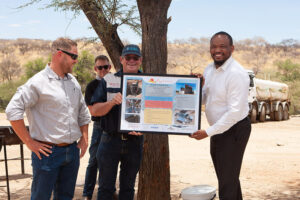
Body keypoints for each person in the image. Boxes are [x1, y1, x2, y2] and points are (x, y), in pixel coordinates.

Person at [5, 37, 91, 200]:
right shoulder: (38, 82)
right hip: (47, 154)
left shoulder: (73, 82)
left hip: (72, 153)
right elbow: (12, 111)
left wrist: (85, 138)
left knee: (66, 197)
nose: (76, 61)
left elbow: (82, 112)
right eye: (74, 56)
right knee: (40, 197)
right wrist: (29, 142)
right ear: (59, 54)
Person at [190, 31, 251, 200]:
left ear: (231, 48)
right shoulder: (209, 69)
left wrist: (208, 132)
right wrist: (194, 87)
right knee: (227, 177)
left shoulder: (236, 73)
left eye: (222, 47)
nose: (217, 50)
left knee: (227, 181)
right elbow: (203, 98)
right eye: (214, 47)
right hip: (219, 130)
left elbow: (234, 113)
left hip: (234, 129)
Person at [90, 44, 144, 200]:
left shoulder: (148, 81)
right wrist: (112, 102)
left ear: (140, 60)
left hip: (134, 142)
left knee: (128, 189)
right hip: (109, 141)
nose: (131, 61)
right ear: (121, 59)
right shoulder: (109, 79)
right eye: (128, 58)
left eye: (135, 58)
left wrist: (143, 129)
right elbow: (94, 110)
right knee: (106, 189)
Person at [82, 55, 111, 200]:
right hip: (99, 126)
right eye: (100, 67)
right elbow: (92, 109)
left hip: (113, 126)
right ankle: (87, 194)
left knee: (110, 161)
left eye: (105, 67)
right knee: (94, 160)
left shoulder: (116, 83)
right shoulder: (91, 86)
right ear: (95, 69)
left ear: (110, 67)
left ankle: (109, 192)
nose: (103, 70)